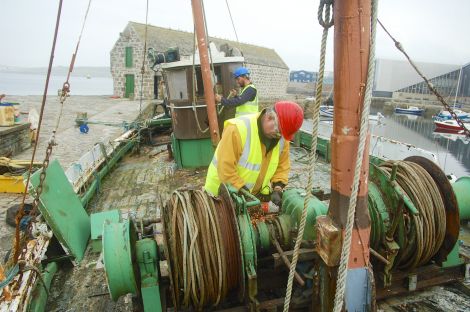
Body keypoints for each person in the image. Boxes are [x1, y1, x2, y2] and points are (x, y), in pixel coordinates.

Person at [204, 101, 304, 206]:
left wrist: (277, 189)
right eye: (278, 131)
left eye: (282, 134)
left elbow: (282, 167)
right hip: (219, 196)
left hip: (248, 197)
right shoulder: (236, 129)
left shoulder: (281, 139)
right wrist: (243, 192)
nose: (279, 136)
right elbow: (226, 168)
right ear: (269, 117)